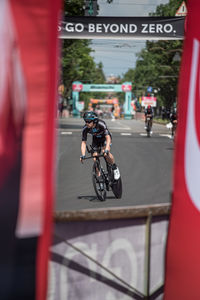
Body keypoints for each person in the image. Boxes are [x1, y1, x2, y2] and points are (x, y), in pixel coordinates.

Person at [80, 111, 120, 181]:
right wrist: (83, 155)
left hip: (105, 138)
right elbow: (83, 143)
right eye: (85, 121)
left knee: (105, 152)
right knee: (95, 156)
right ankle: (99, 176)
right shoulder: (85, 129)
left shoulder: (101, 124)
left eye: (88, 121)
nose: (87, 123)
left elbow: (108, 138)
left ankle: (115, 168)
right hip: (96, 140)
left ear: (94, 121)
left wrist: (107, 149)